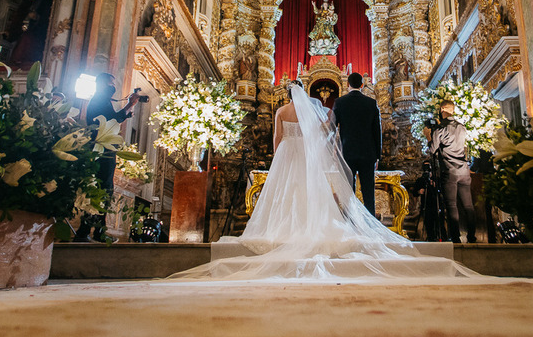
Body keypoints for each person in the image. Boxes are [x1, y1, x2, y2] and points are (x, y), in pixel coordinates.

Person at [170, 81, 478, 280]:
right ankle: (320, 225)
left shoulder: (281, 111)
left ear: (287, 94)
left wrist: (279, 156)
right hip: (308, 154)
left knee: (286, 192)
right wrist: (320, 150)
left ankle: (283, 229)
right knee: (310, 191)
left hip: (287, 153)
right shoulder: (318, 112)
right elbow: (323, 133)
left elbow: (276, 138)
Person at [72, 73, 142, 242]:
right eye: (111, 84)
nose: (113, 87)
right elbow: (112, 120)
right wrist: (129, 104)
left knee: (103, 191)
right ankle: (92, 231)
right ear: (103, 84)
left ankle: (90, 230)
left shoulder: (102, 100)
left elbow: (113, 118)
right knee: (102, 190)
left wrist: (127, 111)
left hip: (103, 148)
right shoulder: (100, 100)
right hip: (101, 150)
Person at [331, 72, 382, 216]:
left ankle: (350, 221)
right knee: (368, 192)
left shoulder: (340, 102)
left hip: (347, 153)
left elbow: (332, 127)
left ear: (348, 85)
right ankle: (371, 222)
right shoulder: (371, 103)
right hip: (368, 154)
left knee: (348, 192)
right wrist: (377, 156)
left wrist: (334, 150)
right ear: (362, 85)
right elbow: (377, 131)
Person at [429, 99, 476, 243]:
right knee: (468, 205)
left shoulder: (440, 129)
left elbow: (432, 150)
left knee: (451, 205)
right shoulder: (461, 127)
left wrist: (428, 136)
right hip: (464, 170)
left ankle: (455, 237)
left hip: (449, 171)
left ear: (442, 109)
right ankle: (472, 236)